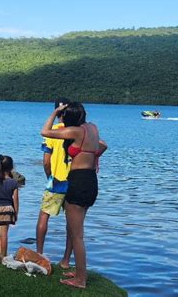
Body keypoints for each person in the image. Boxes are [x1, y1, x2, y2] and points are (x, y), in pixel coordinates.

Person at [41, 102, 107, 289]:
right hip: (90, 181)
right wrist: (90, 156)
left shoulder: (75, 132)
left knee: (77, 235)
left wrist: (55, 112)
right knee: (75, 229)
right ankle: (79, 272)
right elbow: (103, 146)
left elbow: (44, 131)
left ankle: (80, 280)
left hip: (78, 182)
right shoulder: (91, 128)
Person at [36, 97, 72, 267]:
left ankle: (40, 254)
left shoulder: (52, 132)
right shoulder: (76, 131)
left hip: (56, 181)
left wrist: (49, 176)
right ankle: (65, 260)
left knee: (44, 216)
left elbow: (46, 160)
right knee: (72, 222)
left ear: (56, 112)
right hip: (73, 182)